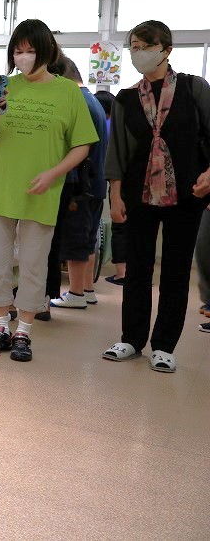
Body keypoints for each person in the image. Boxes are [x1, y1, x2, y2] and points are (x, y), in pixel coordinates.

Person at [0, 19, 97, 362]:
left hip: (43, 192)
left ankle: (24, 331)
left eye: (30, 50)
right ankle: (1, 326)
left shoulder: (68, 92)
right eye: (18, 50)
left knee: (33, 264)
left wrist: (53, 174)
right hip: (1, 190)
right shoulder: (2, 85)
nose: (23, 57)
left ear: (46, 52)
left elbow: (82, 145)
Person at [102, 20, 210, 372]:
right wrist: (115, 195)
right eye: (134, 47)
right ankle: (132, 339)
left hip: (187, 195)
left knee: (176, 271)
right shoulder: (126, 98)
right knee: (137, 269)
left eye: (146, 46)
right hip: (138, 194)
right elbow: (117, 151)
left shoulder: (194, 88)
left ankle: (164, 345)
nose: (139, 53)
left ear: (166, 49)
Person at [48, 58, 109, 310]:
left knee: (75, 237)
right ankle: (87, 289)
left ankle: (75, 292)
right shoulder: (92, 100)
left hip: (80, 185)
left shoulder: (78, 102)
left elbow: (77, 147)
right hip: (95, 183)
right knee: (87, 236)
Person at [93, 89, 127, 286]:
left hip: (117, 181)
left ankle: (122, 273)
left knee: (119, 226)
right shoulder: (122, 122)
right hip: (137, 182)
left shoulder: (105, 125)